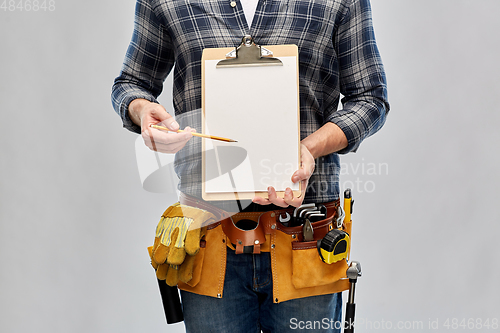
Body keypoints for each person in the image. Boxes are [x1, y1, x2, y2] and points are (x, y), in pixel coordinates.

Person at [112, 0, 389, 332]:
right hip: (208, 235)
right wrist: (142, 112)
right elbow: (130, 83)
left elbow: (371, 98)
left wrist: (309, 148)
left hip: (307, 236)